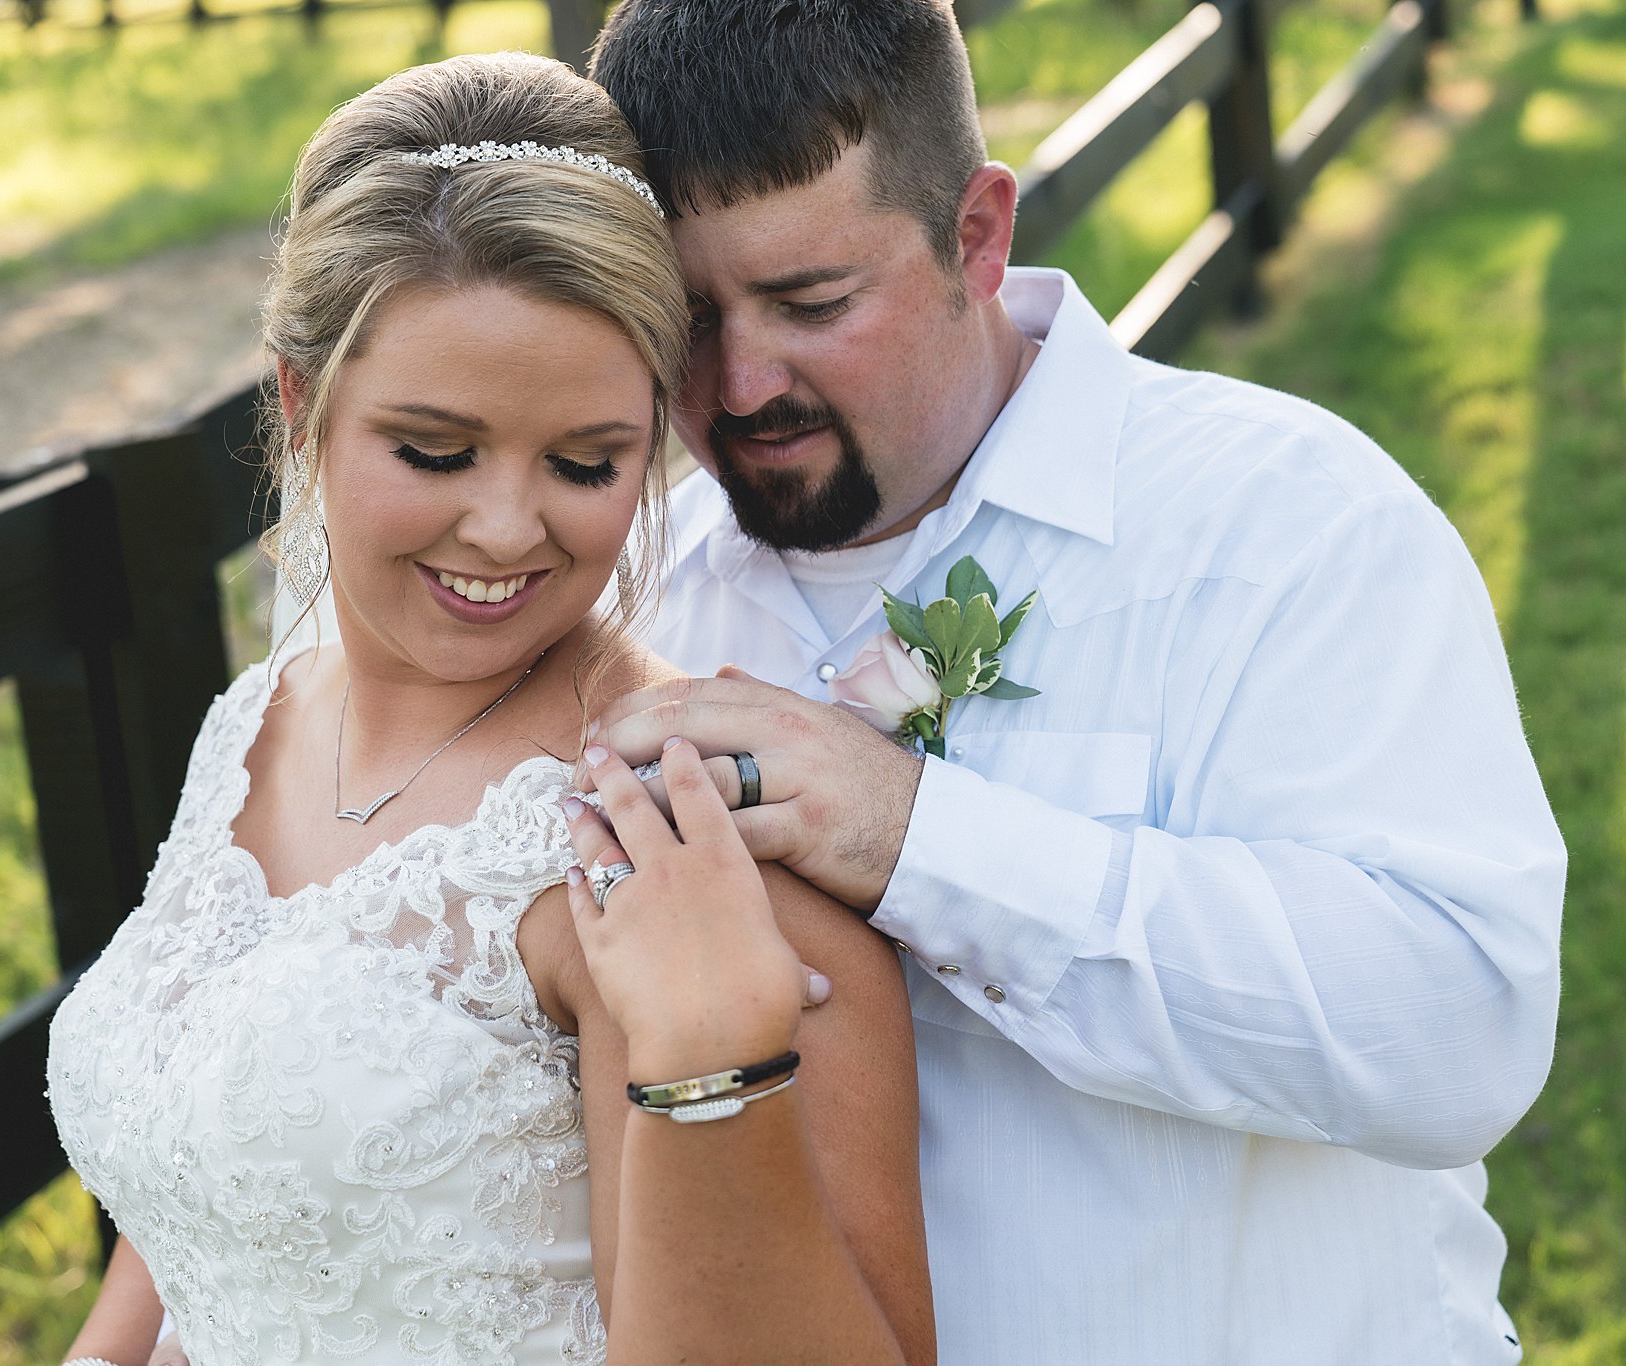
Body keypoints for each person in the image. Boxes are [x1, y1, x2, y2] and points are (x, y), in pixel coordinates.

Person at [578, 2, 1568, 1363]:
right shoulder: (638, 604)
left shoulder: (1288, 526)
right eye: (689, 317)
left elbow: (1460, 1029)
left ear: (978, 235)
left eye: (813, 303)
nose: (741, 383)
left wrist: (915, 836)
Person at [45, 51, 935, 1366]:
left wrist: (713, 1062)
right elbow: (198, 1212)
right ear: (302, 406)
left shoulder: (669, 821)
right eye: (436, 451)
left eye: (587, 462)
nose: (508, 529)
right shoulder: (258, 720)